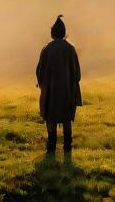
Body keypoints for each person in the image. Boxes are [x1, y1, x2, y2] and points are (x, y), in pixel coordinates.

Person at [35, 14, 81, 153]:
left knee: (51, 117)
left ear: (52, 33)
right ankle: (67, 146)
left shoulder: (47, 50)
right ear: (63, 32)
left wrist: (42, 84)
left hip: (51, 92)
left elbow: (39, 73)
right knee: (67, 118)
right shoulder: (70, 49)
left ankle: (51, 146)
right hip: (67, 92)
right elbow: (77, 74)